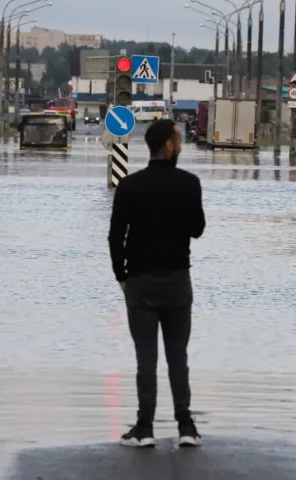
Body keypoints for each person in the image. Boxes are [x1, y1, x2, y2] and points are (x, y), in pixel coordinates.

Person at [108, 119, 206, 448]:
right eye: (177, 139)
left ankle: (144, 427)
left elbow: (115, 235)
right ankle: (186, 427)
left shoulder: (130, 186)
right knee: (177, 355)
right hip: (178, 281)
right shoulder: (189, 184)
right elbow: (197, 229)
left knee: (145, 358)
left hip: (140, 283)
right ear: (167, 144)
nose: (180, 144)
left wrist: (121, 274)